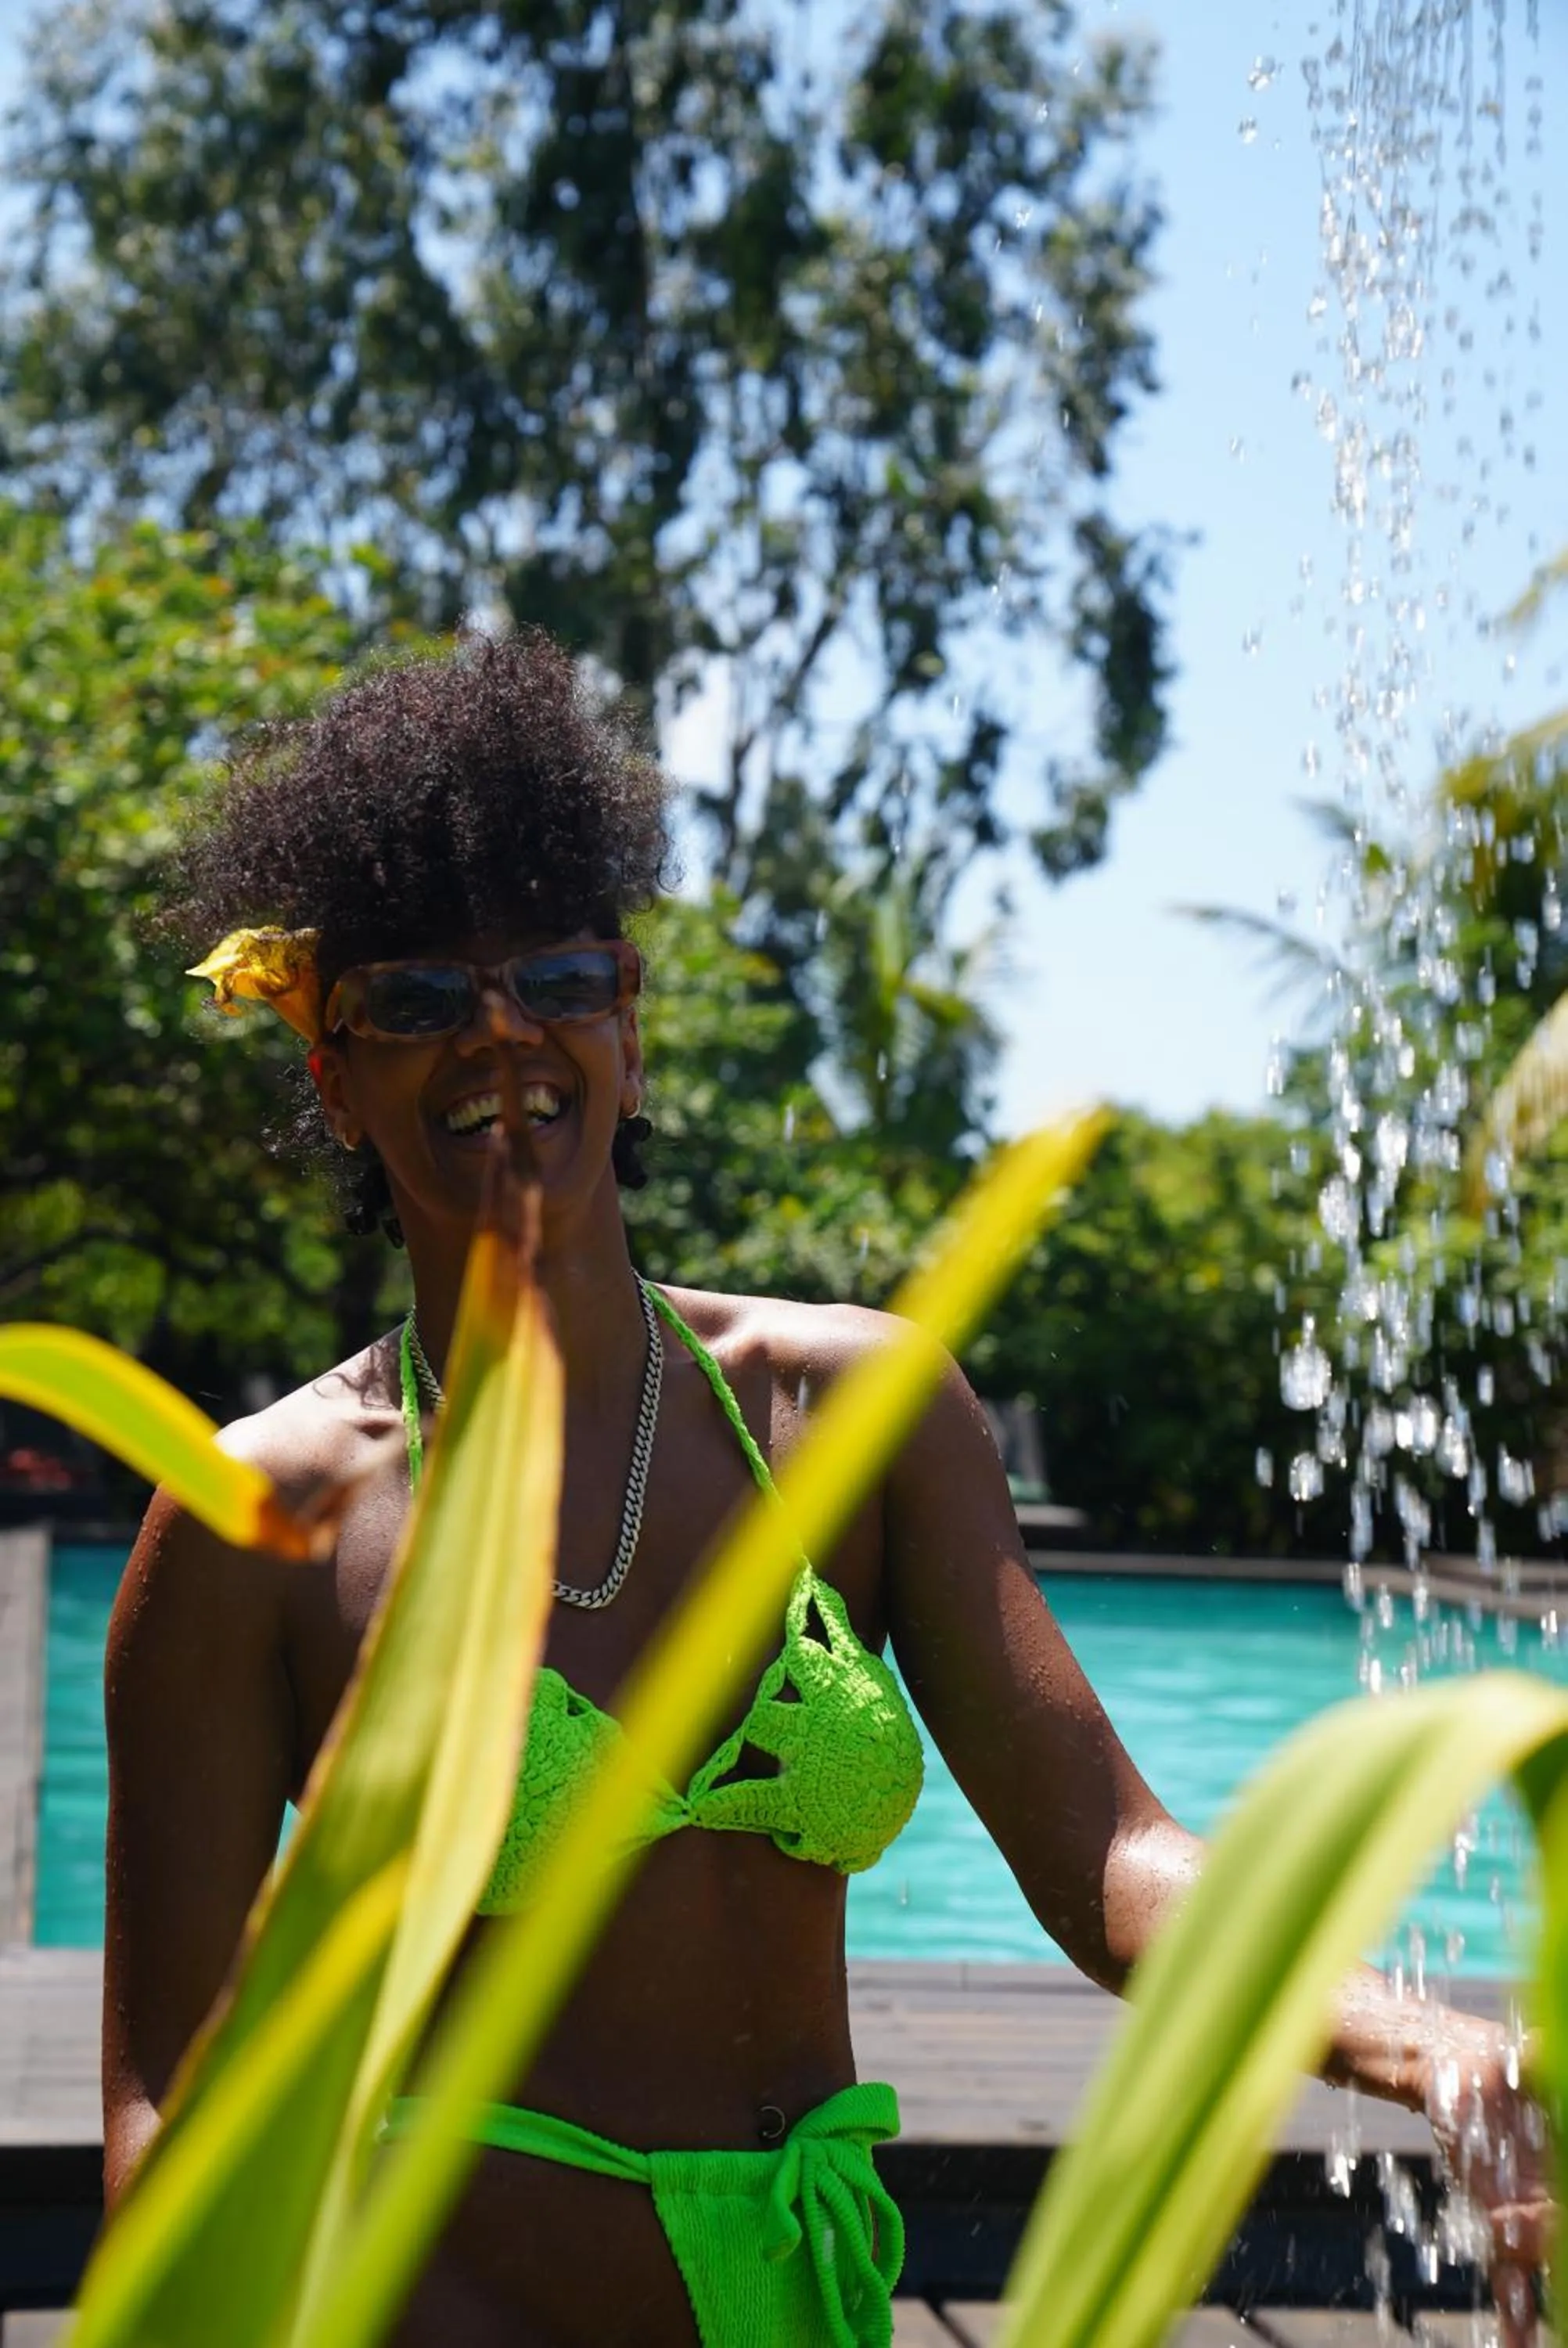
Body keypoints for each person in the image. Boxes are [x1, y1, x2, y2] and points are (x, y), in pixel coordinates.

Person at [103, 632, 1551, 2348]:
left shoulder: (855, 1416)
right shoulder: (255, 1522)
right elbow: (167, 2113)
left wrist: (1438, 2052)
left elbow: (1113, 1852)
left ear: (628, 1020)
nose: (500, 1032)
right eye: (416, 1000)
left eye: (557, 975)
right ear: (335, 1081)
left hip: (802, 2304)